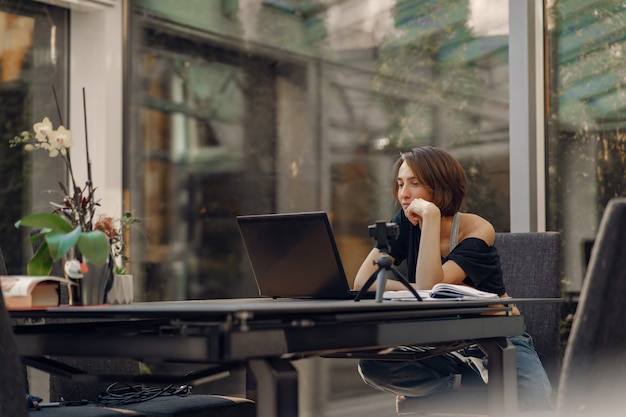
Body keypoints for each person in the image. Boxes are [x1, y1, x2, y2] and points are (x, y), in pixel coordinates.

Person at [353, 146, 552, 412]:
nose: (404, 194)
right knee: (373, 365)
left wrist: (432, 217)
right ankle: (466, 386)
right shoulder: (405, 221)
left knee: (535, 398)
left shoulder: (478, 229)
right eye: (400, 184)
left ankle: (471, 384)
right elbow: (363, 281)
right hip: (441, 343)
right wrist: (416, 289)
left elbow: (431, 287)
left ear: (440, 186)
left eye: (415, 184)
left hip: (495, 339)